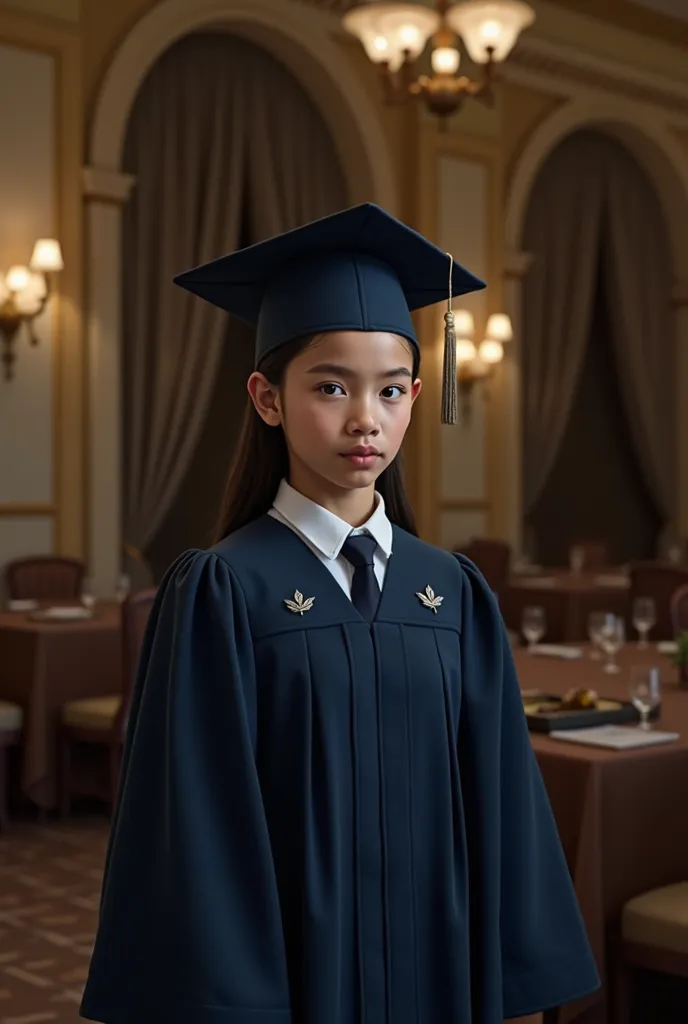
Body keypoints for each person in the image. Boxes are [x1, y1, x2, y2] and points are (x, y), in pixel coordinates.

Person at [80, 203, 599, 1024]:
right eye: (330, 387)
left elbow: (504, 805)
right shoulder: (222, 590)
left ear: (419, 396)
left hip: (443, 968)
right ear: (267, 398)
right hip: (291, 977)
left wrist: (516, 987)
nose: (366, 419)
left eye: (392, 391)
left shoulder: (453, 590)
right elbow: (198, 833)